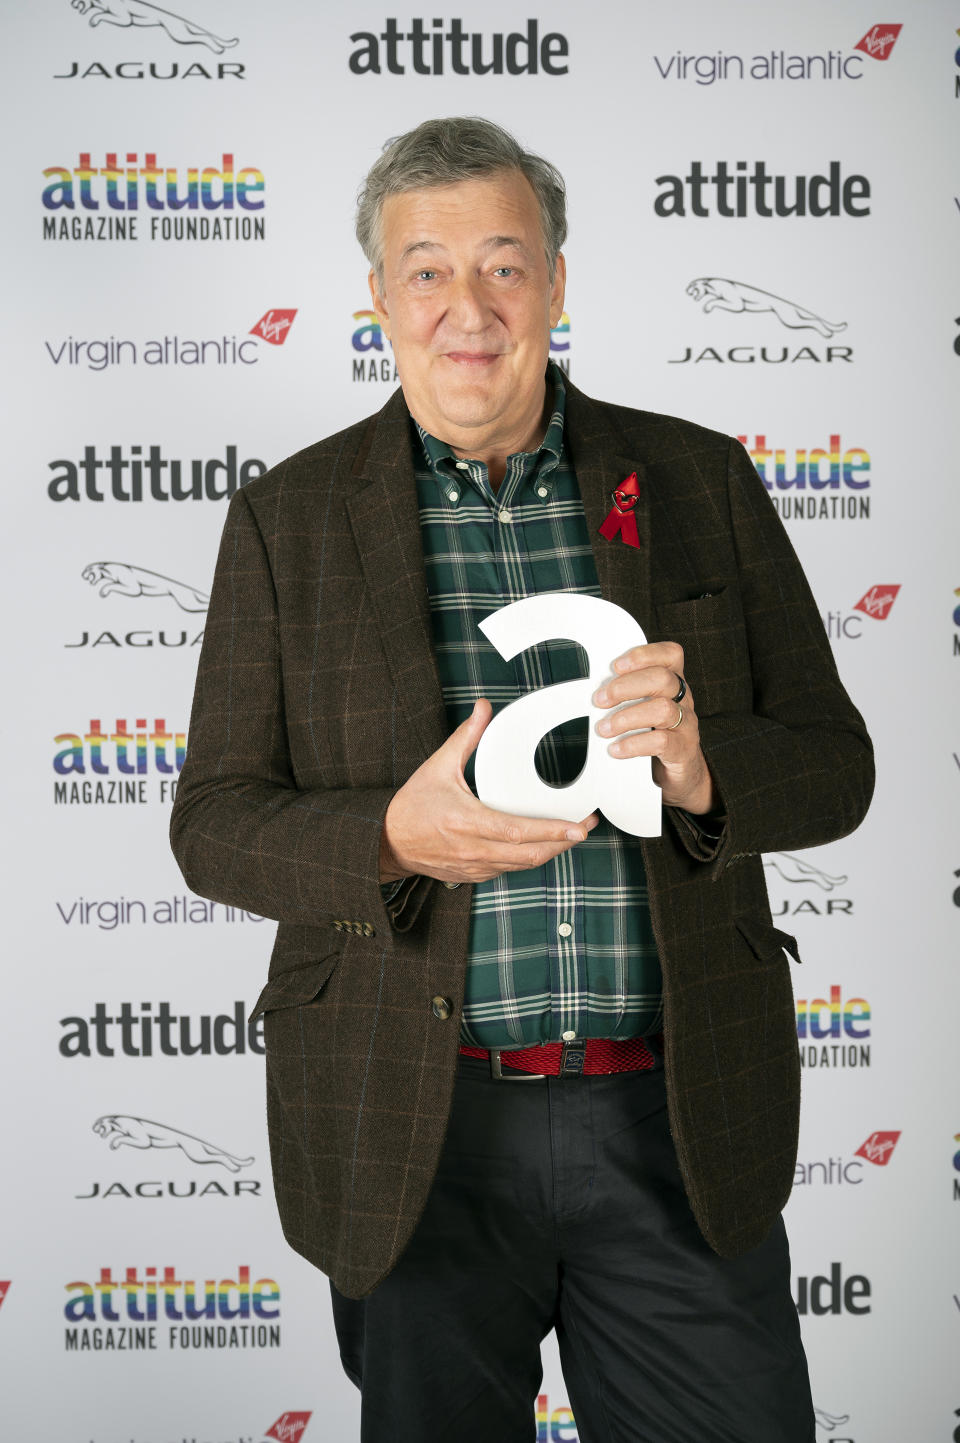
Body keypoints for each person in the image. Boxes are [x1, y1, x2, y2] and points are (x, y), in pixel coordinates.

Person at [170, 117, 874, 1443]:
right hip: (417, 1133)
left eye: (504, 265)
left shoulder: (698, 480)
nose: (467, 308)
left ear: (557, 281)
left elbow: (836, 765)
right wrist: (389, 835)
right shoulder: (291, 520)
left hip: (676, 1118)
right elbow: (213, 824)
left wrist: (708, 765)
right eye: (426, 271)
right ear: (378, 301)